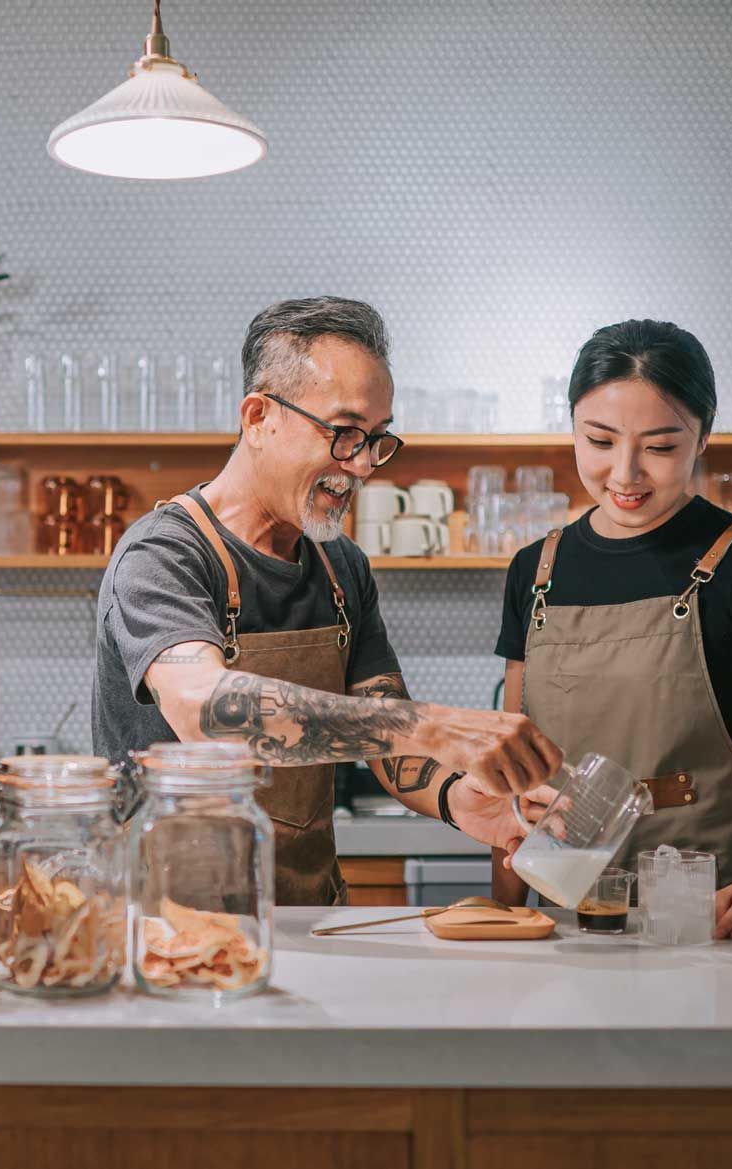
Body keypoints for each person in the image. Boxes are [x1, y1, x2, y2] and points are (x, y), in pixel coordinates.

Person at [93, 296, 562, 905]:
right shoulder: (164, 555)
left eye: (376, 439)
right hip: (167, 926)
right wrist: (440, 725)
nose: (363, 465)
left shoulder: (341, 566)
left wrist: (458, 799)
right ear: (258, 417)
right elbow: (206, 711)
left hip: (305, 912)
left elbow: (386, 737)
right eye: (343, 434)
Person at [493, 319, 732, 939]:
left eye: (661, 447)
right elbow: (514, 767)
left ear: (704, 437)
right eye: (598, 440)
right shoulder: (534, 572)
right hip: (555, 912)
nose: (625, 474)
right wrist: (509, 901)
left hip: (704, 909)